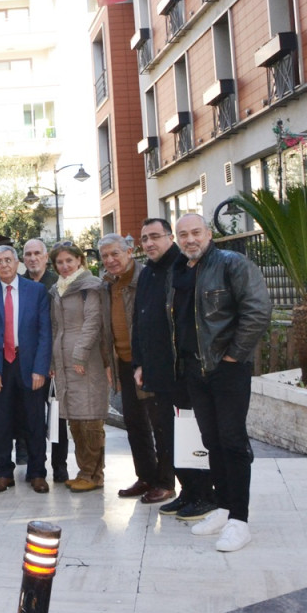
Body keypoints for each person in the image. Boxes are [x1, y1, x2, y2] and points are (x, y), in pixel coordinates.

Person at [173, 213, 271, 553]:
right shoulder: (181, 270)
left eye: (195, 232)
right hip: (196, 371)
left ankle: (239, 520)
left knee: (232, 442)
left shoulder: (232, 264)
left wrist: (233, 357)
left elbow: (257, 310)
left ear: (209, 233)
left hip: (227, 369)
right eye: (183, 234)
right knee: (211, 441)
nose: (189, 239)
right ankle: (224, 508)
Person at [133, 218, 216, 522]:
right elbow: (139, 322)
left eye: (155, 236)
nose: (149, 243)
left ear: (169, 237)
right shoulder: (147, 273)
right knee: (168, 435)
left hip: (182, 370)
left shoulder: (181, 267)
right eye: (144, 239)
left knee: (190, 434)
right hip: (156, 370)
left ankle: (204, 494)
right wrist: (139, 362)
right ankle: (187, 492)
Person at [99, 233, 172, 504]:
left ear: (130, 251)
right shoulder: (108, 284)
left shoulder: (147, 279)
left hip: (150, 364)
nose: (110, 260)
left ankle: (165, 482)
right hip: (124, 363)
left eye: (115, 253)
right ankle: (146, 477)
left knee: (160, 424)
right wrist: (109, 361)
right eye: (105, 256)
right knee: (135, 424)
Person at [0, 245, 53, 494]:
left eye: (8, 260)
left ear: (17, 263)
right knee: (0, 422)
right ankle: (4, 473)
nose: (4, 265)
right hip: (0, 366)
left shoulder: (37, 290)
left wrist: (40, 368)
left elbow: (45, 333)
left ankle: (37, 472)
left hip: (29, 366)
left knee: (35, 421)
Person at [48, 242, 110, 492]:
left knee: (91, 419)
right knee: (74, 420)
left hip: (86, 360)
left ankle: (95, 474)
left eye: (69, 261)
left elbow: (93, 322)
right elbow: (55, 328)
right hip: (63, 361)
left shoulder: (90, 286)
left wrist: (80, 356)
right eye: (59, 263)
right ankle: (84, 471)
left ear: (79, 261)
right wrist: (54, 361)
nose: (64, 266)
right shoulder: (57, 290)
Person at [22, 238, 66, 480]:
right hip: (29, 365)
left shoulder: (58, 283)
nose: (32, 258)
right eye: (28, 254)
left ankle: (60, 467)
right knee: (32, 419)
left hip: (56, 363)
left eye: (37, 253)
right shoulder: (20, 284)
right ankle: (35, 465)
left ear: (45, 257)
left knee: (59, 417)